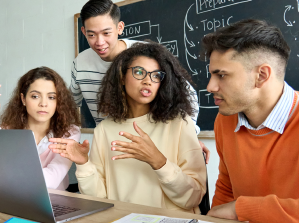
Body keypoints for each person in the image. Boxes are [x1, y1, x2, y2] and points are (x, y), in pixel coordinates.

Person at [50, 42, 207, 213]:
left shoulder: (180, 123)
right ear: (122, 77)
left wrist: (158, 161)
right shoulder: (104, 129)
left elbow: (193, 197)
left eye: (156, 75)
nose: (148, 80)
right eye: (139, 72)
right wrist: (83, 163)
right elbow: (98, 198)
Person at [203, 19, 299, 223]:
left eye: (221, 75)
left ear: (261, 75)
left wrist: (242, 209)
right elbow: (227, 187)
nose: (210, 86)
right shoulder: (225, 120)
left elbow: (235, 207)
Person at [70, 0, 210, 161]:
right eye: (91, 34)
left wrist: (188, 135)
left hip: (153, 146)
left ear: (119, 27)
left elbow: (189, 96)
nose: (99, 42)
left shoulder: (145, 55)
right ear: (83, 32)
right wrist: (71, 139)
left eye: (106, 33)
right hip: (110, 147)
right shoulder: (80, 63)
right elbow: (71, 105)